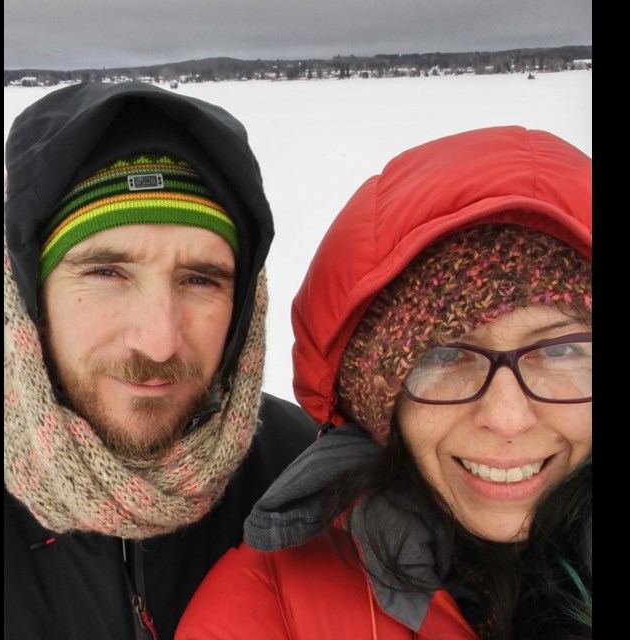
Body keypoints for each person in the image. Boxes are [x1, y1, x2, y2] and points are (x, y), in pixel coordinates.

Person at [176, 125, 592, 639]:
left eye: (560, 351)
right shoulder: (269, 609)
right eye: (444, 356)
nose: (507, 417)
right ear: (381, 404)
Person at [3, 81, 318, 640]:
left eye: (200, 280)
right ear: (30, 297)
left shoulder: (305, 474)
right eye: (106, 272)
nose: (158, 342)